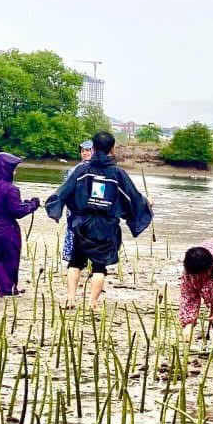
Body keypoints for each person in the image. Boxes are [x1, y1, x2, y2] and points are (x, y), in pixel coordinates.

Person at [45, 131, 152, 310]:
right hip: (106, 226)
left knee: (75, 262)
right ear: (112, 148)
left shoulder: (81, 170)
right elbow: (133, 197)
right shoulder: (118, 173)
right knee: (99, 267)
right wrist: (146, 204)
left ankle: (70, 299)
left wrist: (53, 206)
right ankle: (92, 303)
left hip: (82, 224)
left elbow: (63, 191)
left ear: (93, 148)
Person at [0, 153, 40, 296]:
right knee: (8, 260)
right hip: (4, 230)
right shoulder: (11, 189)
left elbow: (6, 206)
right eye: (13, 168)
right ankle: (7, 289)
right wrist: (33, 204)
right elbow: (17, 212)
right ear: (5, 169)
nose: (15, 172)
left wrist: (26, 204)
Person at [61, 140, 93, 266]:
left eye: (88, 150)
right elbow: (64, 190)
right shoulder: (73, 170)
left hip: (91, 208)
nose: (84, 153)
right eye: (82, 151)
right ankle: (73, 260)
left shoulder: (100, 169)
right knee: (74, 235)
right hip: (75, 209)